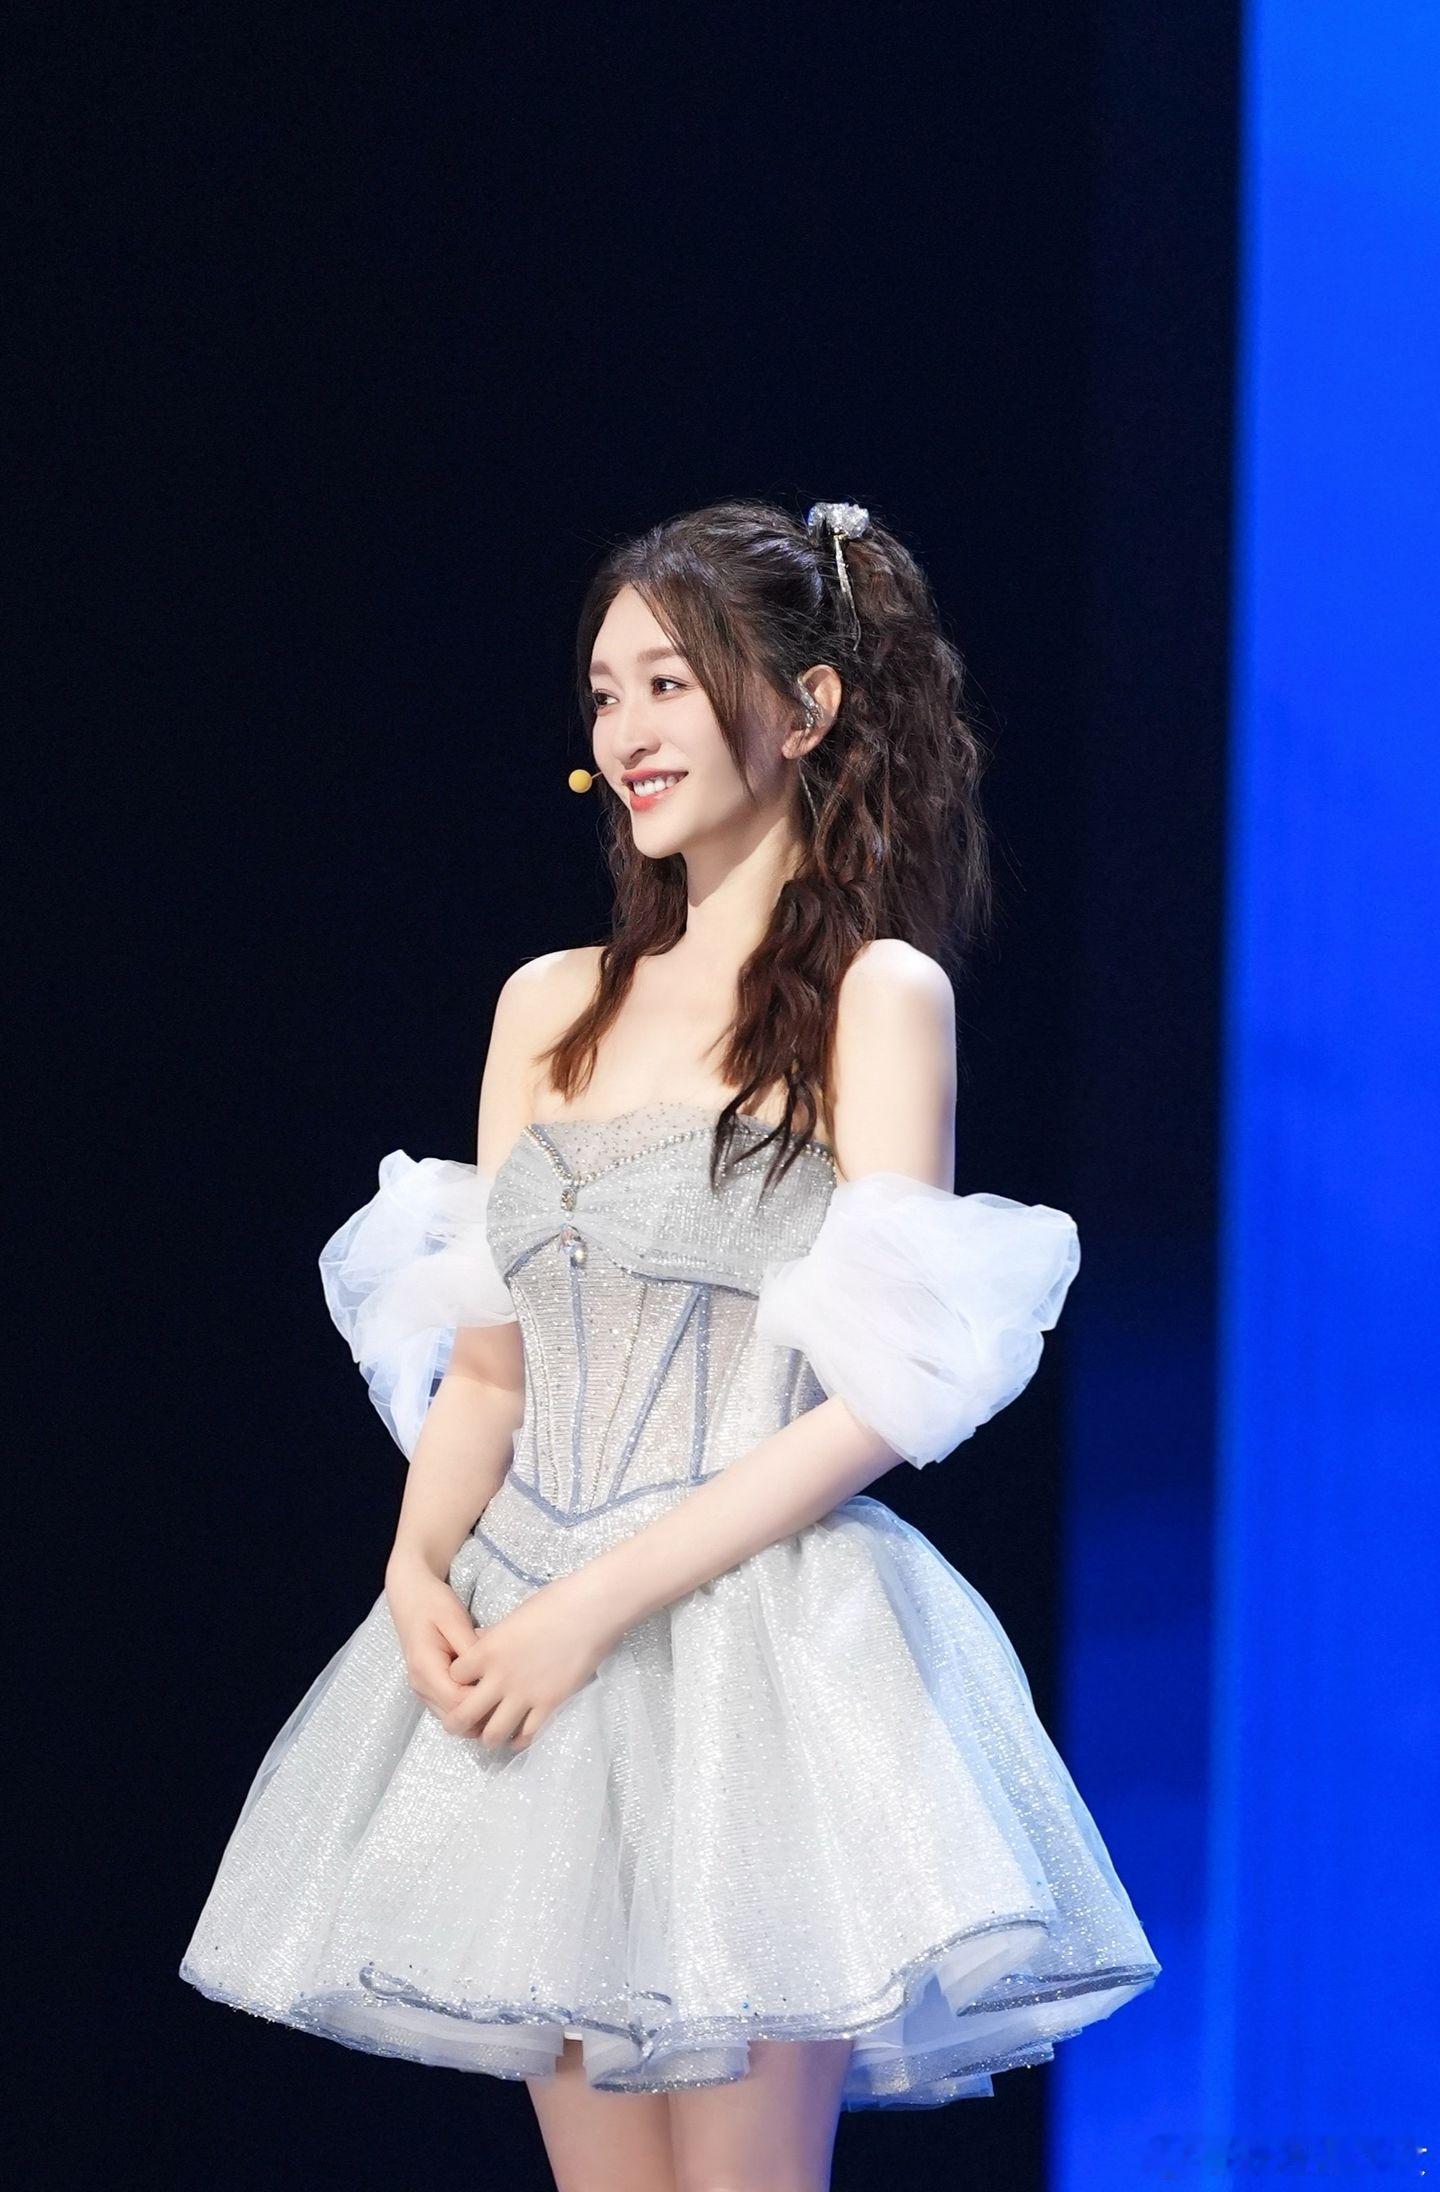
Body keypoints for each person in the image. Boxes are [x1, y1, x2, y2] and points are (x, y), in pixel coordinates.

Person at [179, 498, 1160, 2191]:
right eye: (604, 691)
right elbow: (492, 1362)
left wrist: (593, 1609)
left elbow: (881, 1395)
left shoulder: (877, 995)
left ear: (806, 707)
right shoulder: (547, 1002)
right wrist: (418, 1568)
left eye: (669, 684)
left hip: (751, 1653)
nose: (627, 729)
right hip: (530, 1626)